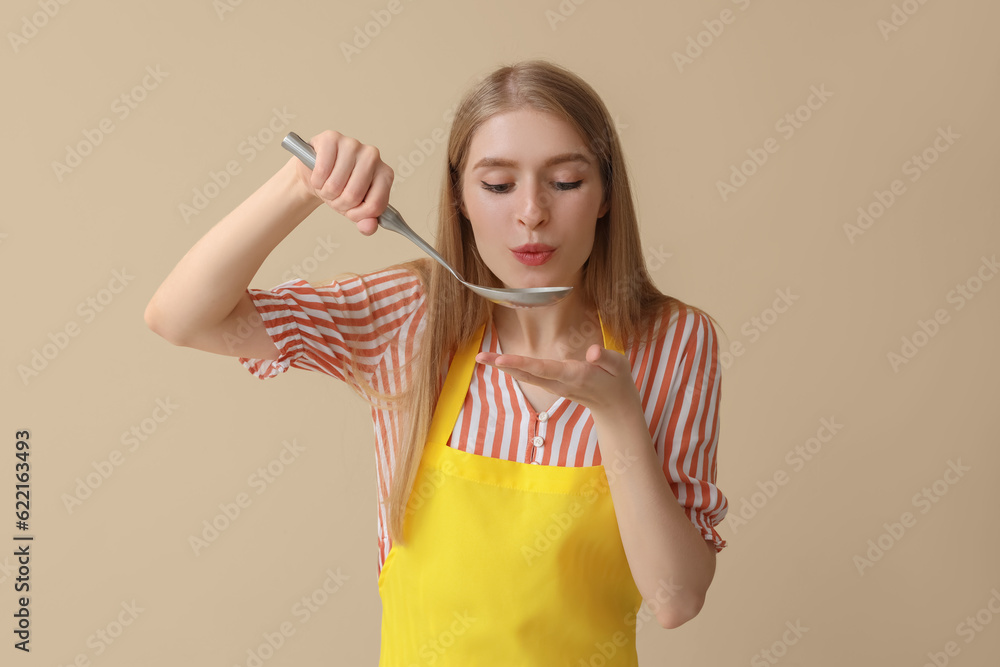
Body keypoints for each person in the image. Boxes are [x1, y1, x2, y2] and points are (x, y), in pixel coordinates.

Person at [145, 59, 728, 664]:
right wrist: (299, 187)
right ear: (460, 200)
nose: (531, 213)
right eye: (499, 185)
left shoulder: (673, 340)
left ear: (606, 194)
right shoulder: (409, 317)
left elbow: (675, 598)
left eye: (566, 182)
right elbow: (181, 318)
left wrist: (618, 416)